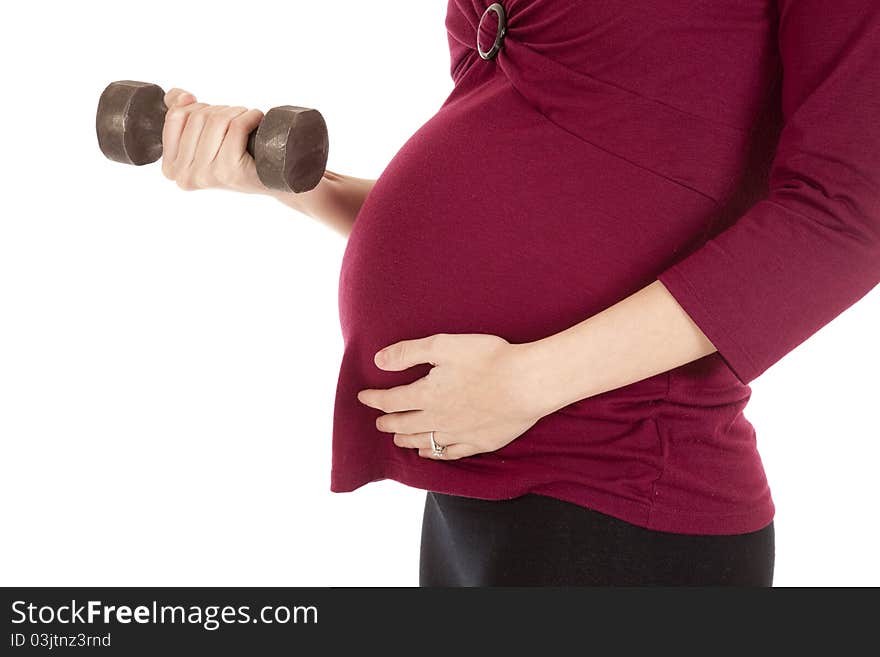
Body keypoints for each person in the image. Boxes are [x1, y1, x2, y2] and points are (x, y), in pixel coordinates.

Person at [156, 0, 880, 586]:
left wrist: (530, 381)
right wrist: (286, 181)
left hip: (625, 502)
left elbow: (847, 216)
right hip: (467, 495)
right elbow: (544, 202)